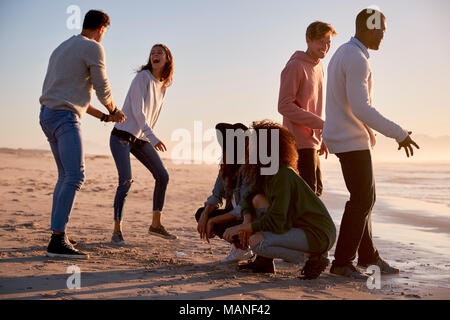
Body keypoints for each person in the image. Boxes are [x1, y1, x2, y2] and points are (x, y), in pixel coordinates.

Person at [323, 9, 420, 279]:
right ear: (369, 27)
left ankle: (368, 256)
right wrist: (398, 133)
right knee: (363, 199)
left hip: (343, 137)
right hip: (350, 139)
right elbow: (361, 107)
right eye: (381, 30)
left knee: (364, 198)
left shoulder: (344, 53)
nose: (383, 36)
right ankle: (342, 262)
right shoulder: (356, 58)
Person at [39, 10, 126, 259]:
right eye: (105, 32)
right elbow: (102, 87)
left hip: (48, 114)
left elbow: (74, 96)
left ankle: (59, 232)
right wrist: (114, 110)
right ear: (101, 28)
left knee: (65, 175)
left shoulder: (63, 47)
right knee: (75, 176)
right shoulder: (93, 48)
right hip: (64, 118)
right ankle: (57, 240)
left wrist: (105, 117)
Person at [224, 120, 336, 279]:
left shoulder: (283, 174)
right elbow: (249, 197)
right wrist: (246, 221)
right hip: (300, 228)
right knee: (257, 200)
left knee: (256, 242)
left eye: (254, 143)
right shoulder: (267, 172)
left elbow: (276, 220)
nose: (249, 148)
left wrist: (244, 228)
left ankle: (312, 258)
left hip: (317, 233)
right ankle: (270, 261)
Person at [109, 44, 176, 244]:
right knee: (126, 180)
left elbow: (152, 115)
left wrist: (147, 136)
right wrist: (153, 137)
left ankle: (156, 225)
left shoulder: (162, 85)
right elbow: (138, 112)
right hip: (121, 135)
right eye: (152, 53)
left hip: (140, 138)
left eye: (159, 53)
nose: (155, 55)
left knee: (162, 176)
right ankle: (116, 231)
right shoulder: (142, 78)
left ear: (167, 59)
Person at [278, 21, 337, 196]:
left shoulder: (318, 66)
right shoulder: (295, 66)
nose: (325, 47)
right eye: (321, 41)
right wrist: (322, 124)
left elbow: (314, 106)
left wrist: (321, 134)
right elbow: (284, 105)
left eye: (328, 43)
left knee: (316, 192)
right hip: (298, 143)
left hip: (313, 141)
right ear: (308, 40)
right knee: (307, 197)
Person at [195, 123, 254, 263]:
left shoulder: (249, 168)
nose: (223, 152)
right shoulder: (226, 168)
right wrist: (205, 215)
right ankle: (239, 247)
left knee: (216, 219)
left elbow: (244, 208)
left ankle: (244, 249)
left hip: (249, 218)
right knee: (201, 212)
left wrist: (213, 220)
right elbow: (216, 195)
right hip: (234, 215)